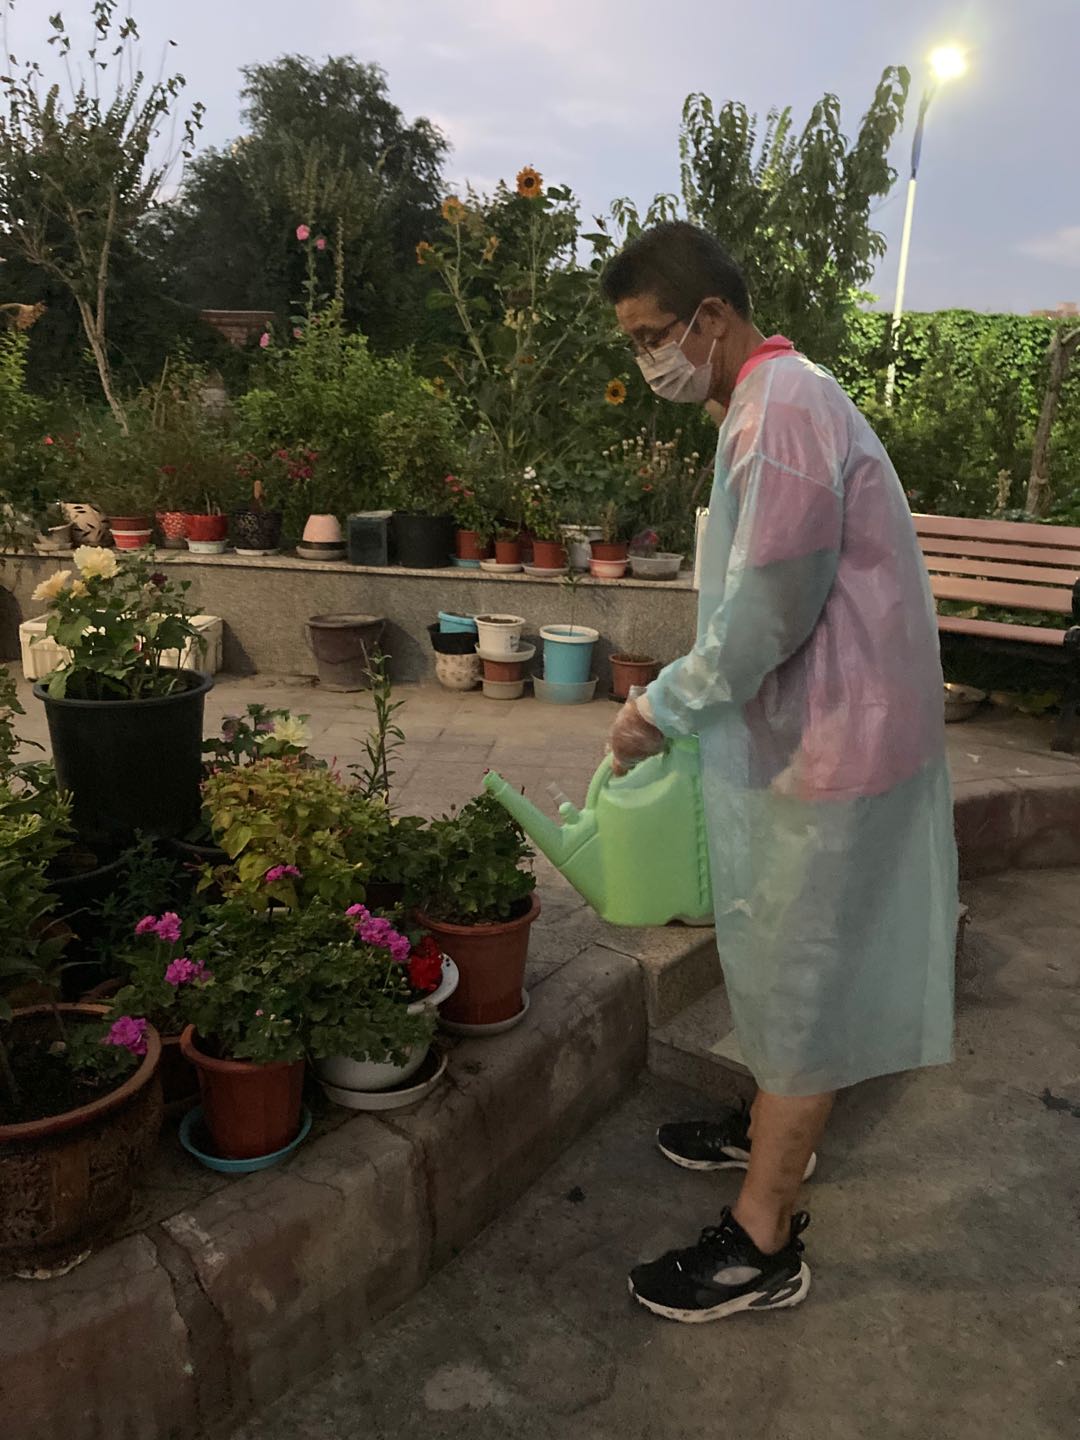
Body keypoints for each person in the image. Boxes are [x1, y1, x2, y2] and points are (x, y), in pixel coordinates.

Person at [602, 221, 957, 1323]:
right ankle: (771, 1129)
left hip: (838, 745)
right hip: (825, 731)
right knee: (778, 951)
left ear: (710, 317)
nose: (648, 360)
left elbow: (766, 614)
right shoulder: (770, 399)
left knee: (801, 976)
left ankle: (763, 1241)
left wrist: (656, 709)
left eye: (654, 335)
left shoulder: (782, 414)